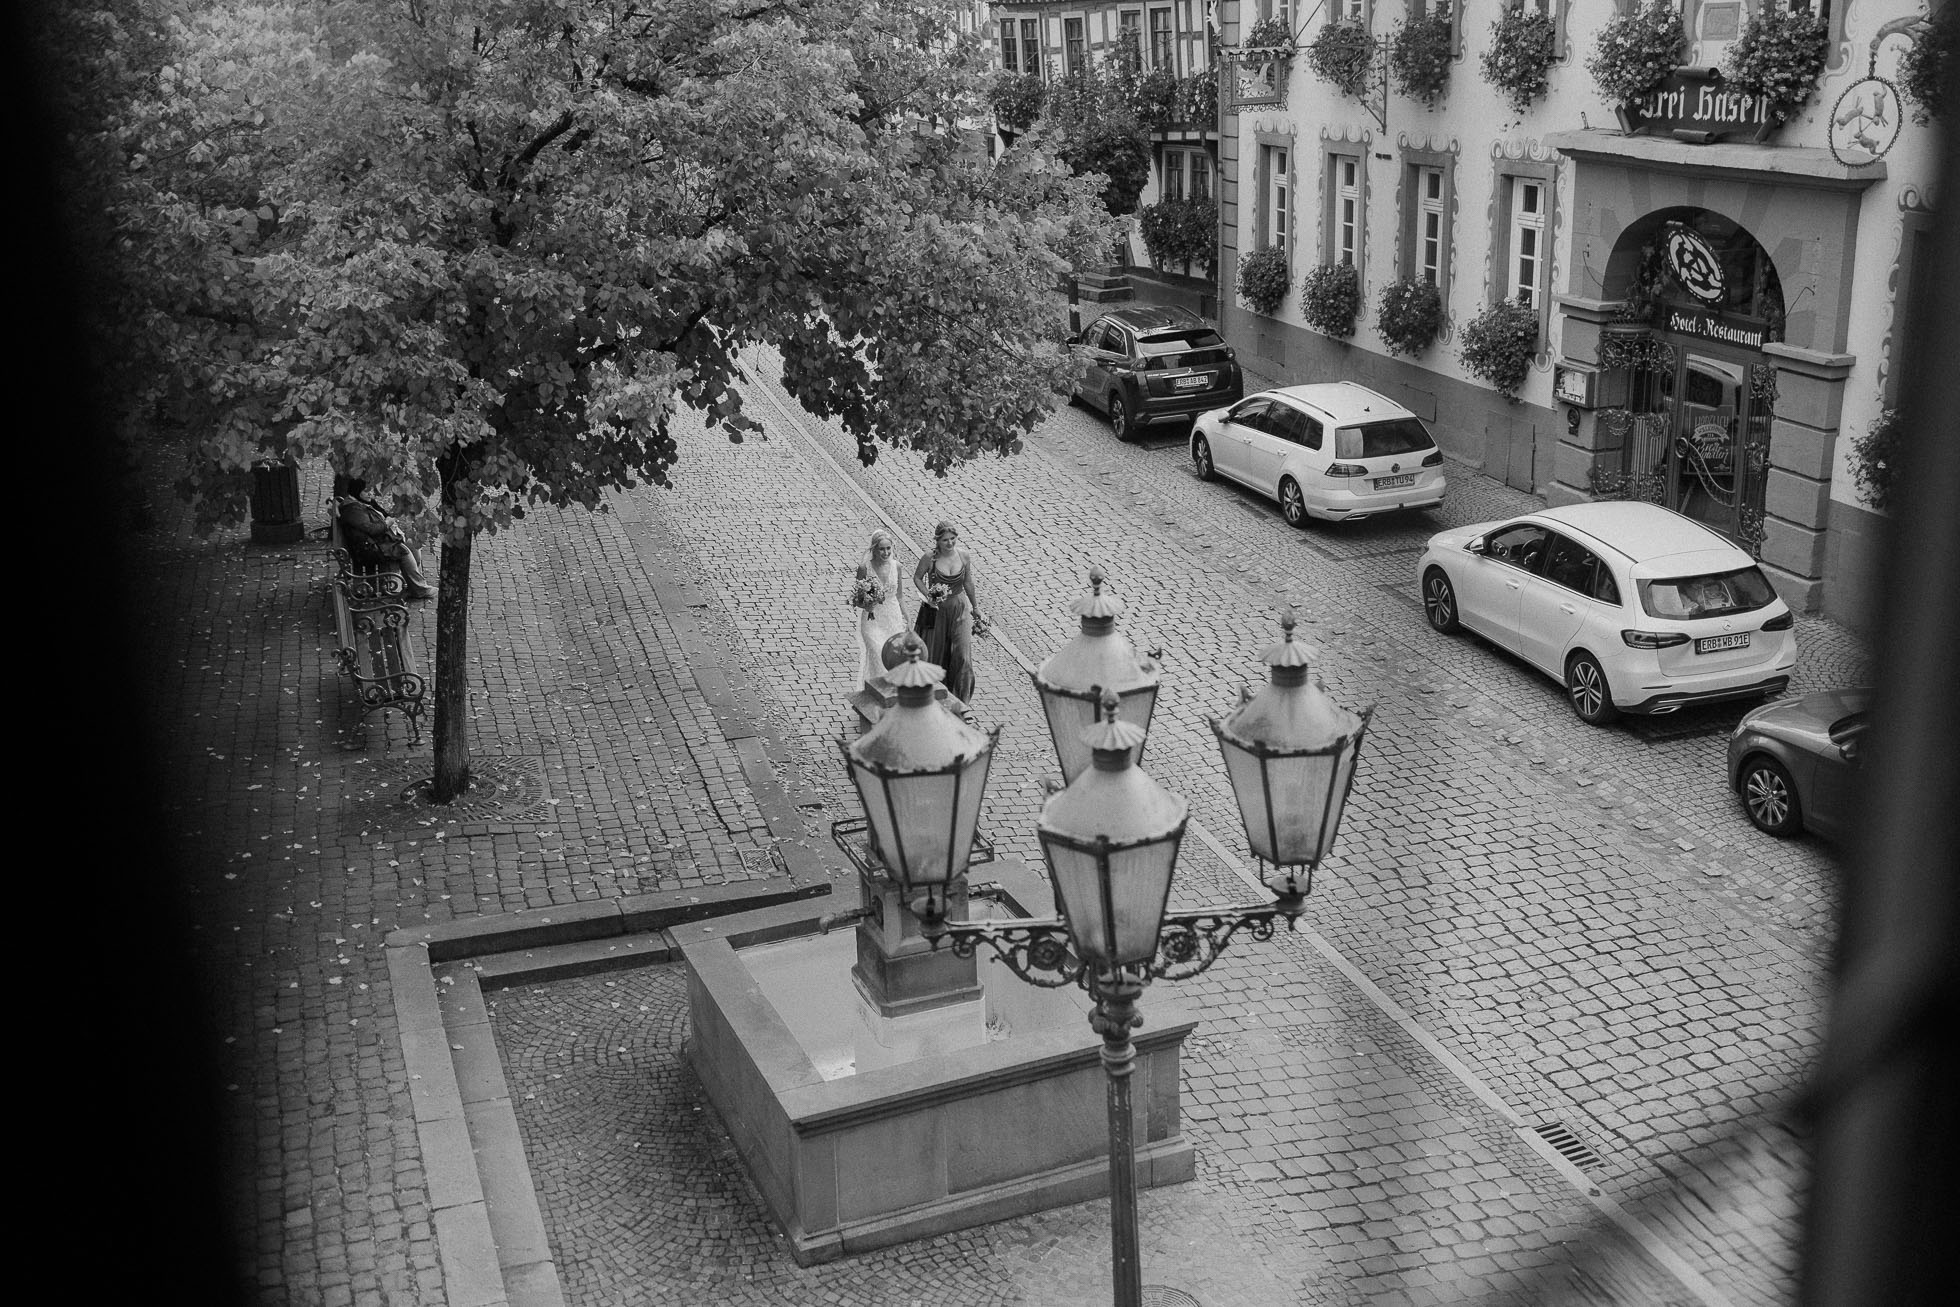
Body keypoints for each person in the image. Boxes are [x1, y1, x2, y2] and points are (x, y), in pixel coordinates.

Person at [912, 520, 987, 705]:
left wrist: (976, 607)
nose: (950, 543)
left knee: (962, 654)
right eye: (945, 540)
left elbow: (968, 582)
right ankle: (934, 696)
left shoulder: (963, 556)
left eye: (953, 539)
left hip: (959, 608)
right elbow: (917, 577)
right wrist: (928, 595)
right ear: (938, 540)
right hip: (937, 611)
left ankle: (962, 700)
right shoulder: (930, 558)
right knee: (936, 653)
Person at [334, 478, 436, 601]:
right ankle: (419, 589)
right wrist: (387, 523)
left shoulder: (363, 501)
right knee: (403, 551)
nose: (371, 493)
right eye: (366, 491)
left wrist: (388, 519)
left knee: (413, 545)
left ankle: (414, 584)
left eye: (371, 490)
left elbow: (383, 514)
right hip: (367, 549)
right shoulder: (352, 509)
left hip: (377, 540)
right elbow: (372, 529)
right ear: (356, 491)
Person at [854, 530, 907, 691]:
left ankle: (891, 695)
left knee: (893, 656)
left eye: (888, 549)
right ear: (874, 549)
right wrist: (866, 604)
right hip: (872, 619)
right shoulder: (864, 568)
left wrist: (907, 618)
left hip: (892, 618)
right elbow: (857, 598)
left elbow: (899, 596)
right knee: (877, 652)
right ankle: (877, 692)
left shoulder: (896, 567)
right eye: (881, 549)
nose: (885, 553)